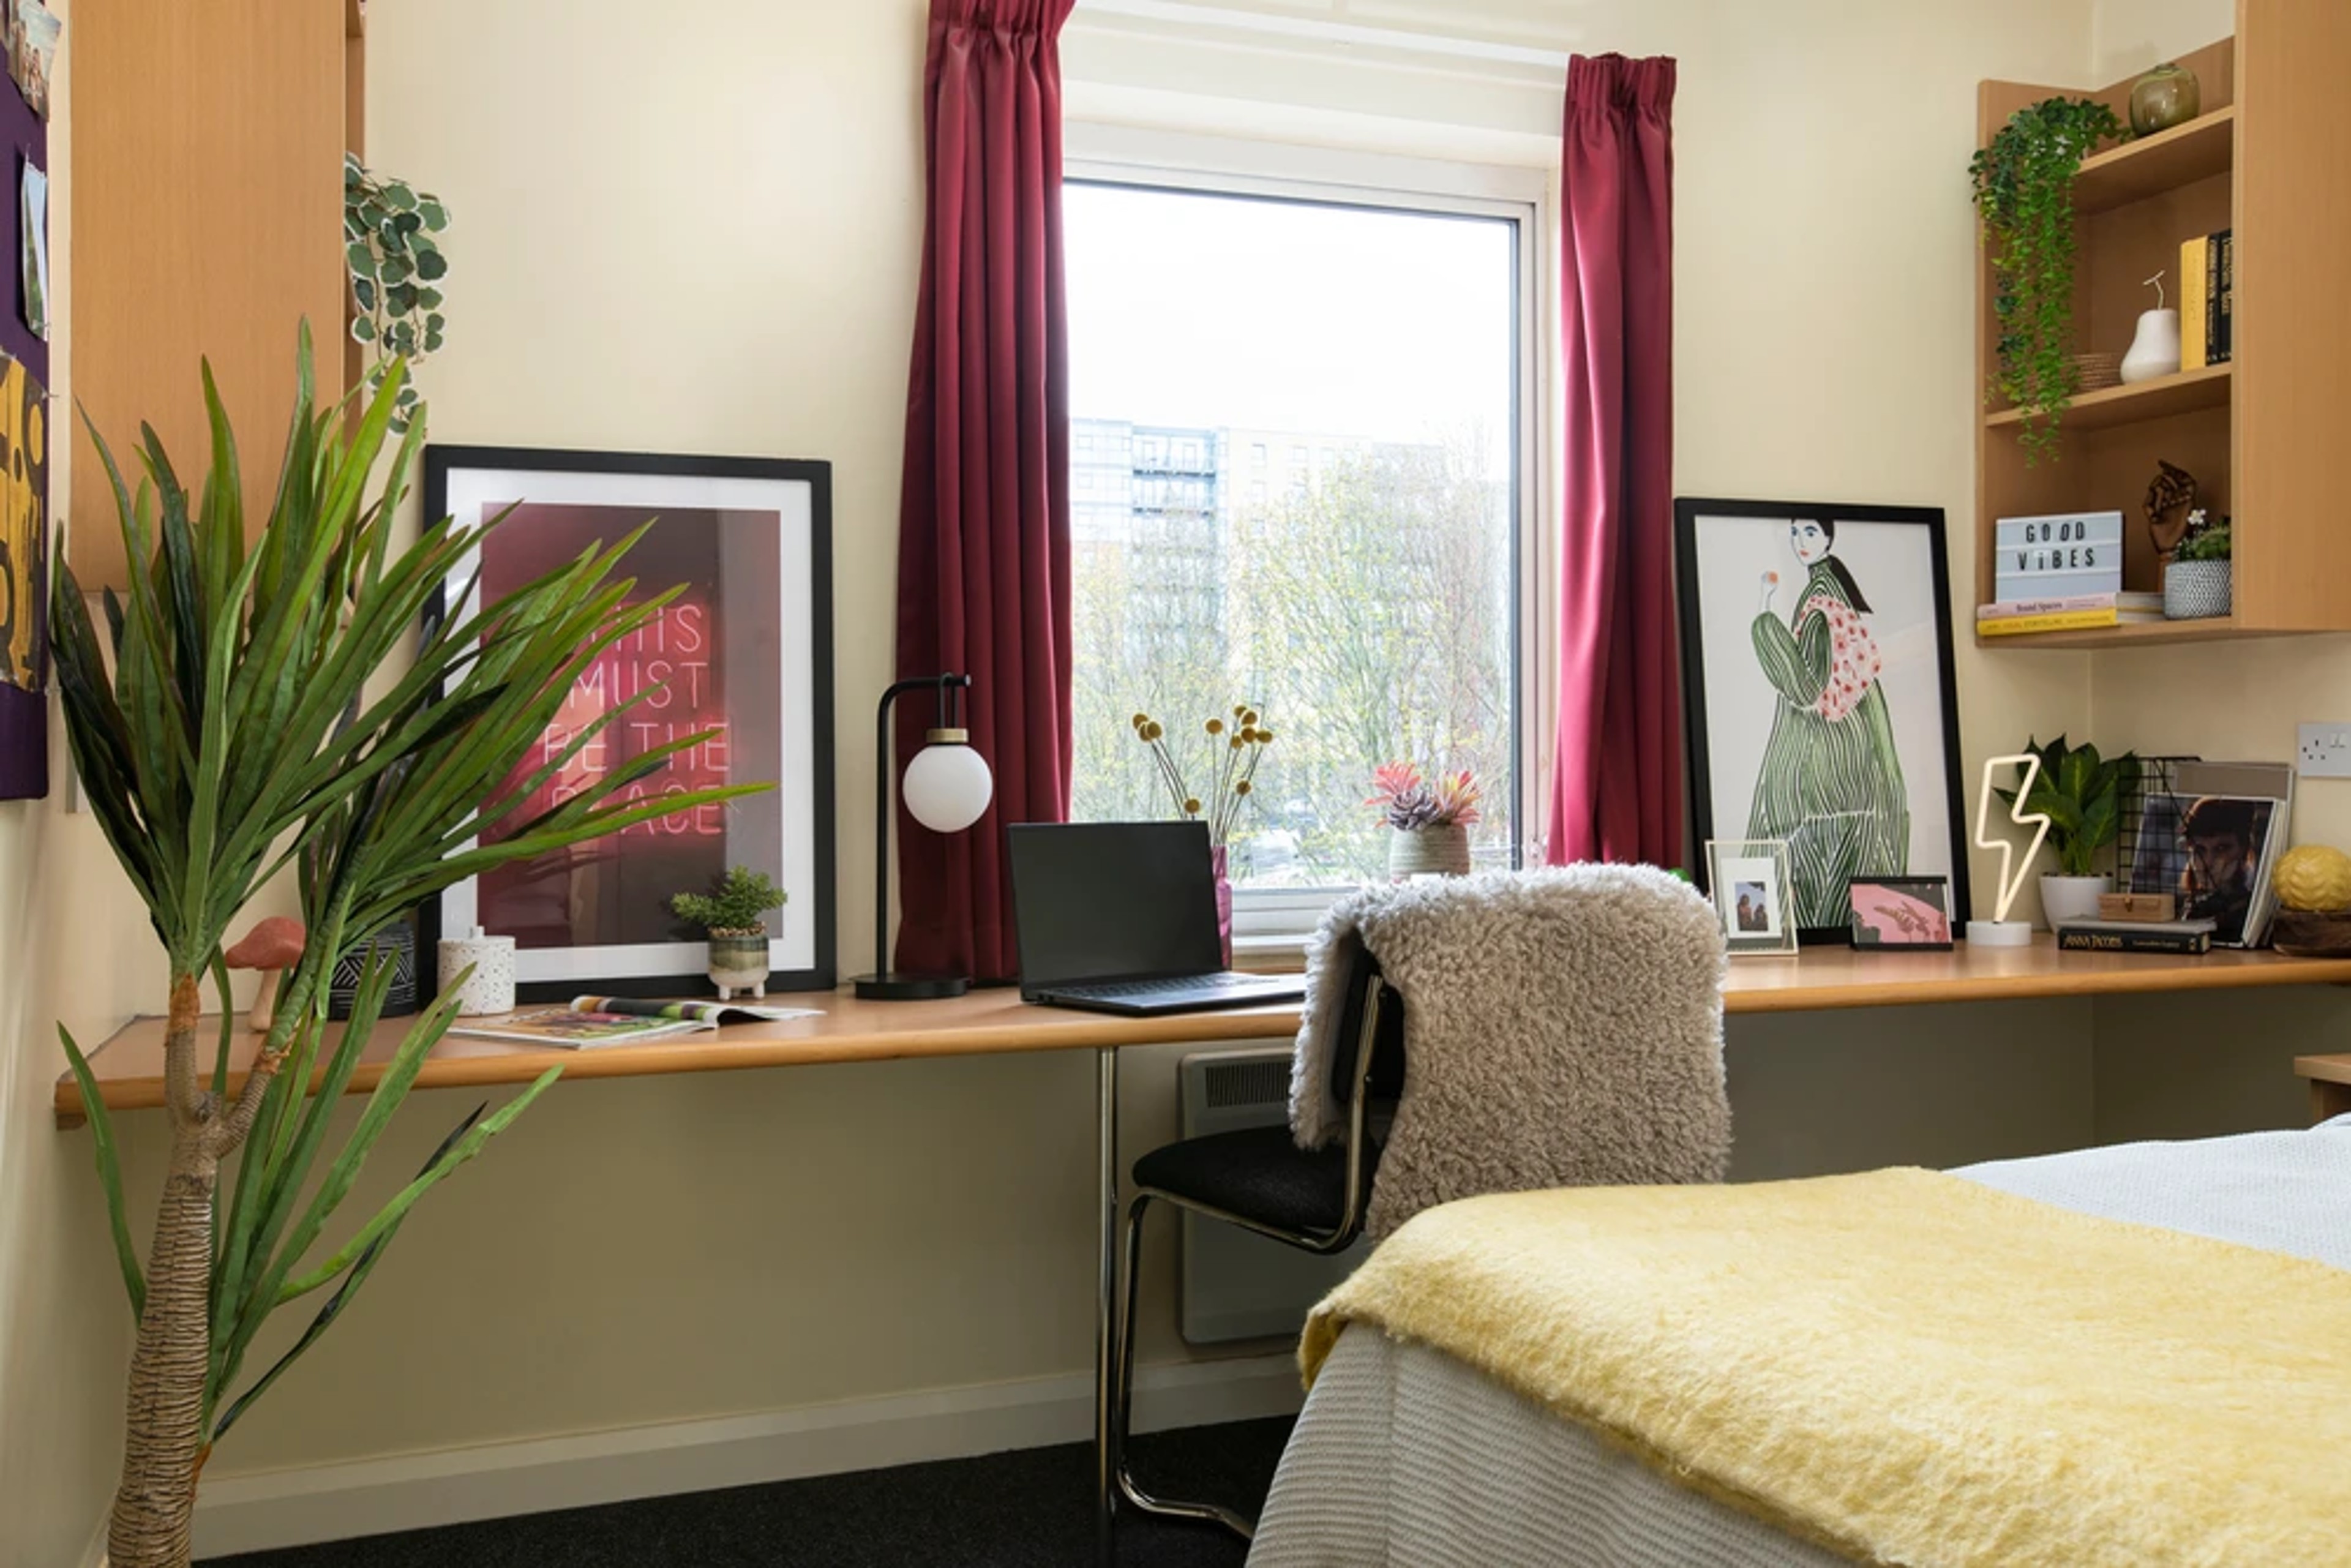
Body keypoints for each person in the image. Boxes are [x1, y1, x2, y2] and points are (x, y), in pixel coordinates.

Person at [1747, 518, 1909, 929]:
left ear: (1830, 539)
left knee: (1812, 863)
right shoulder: (1833, 595)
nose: (1800, 541)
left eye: (1811, 533)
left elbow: (1804, 688)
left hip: (1825, 765)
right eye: (1796, 532)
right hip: (1858, 756)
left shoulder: (1820, 605)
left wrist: (1765, 616)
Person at [2178, 797, 2261, 942]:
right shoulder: (2179, 905)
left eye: (2222, 849)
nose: (2208, 862)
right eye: (2200, 850)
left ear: (2244, 849)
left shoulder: (2253, 914)